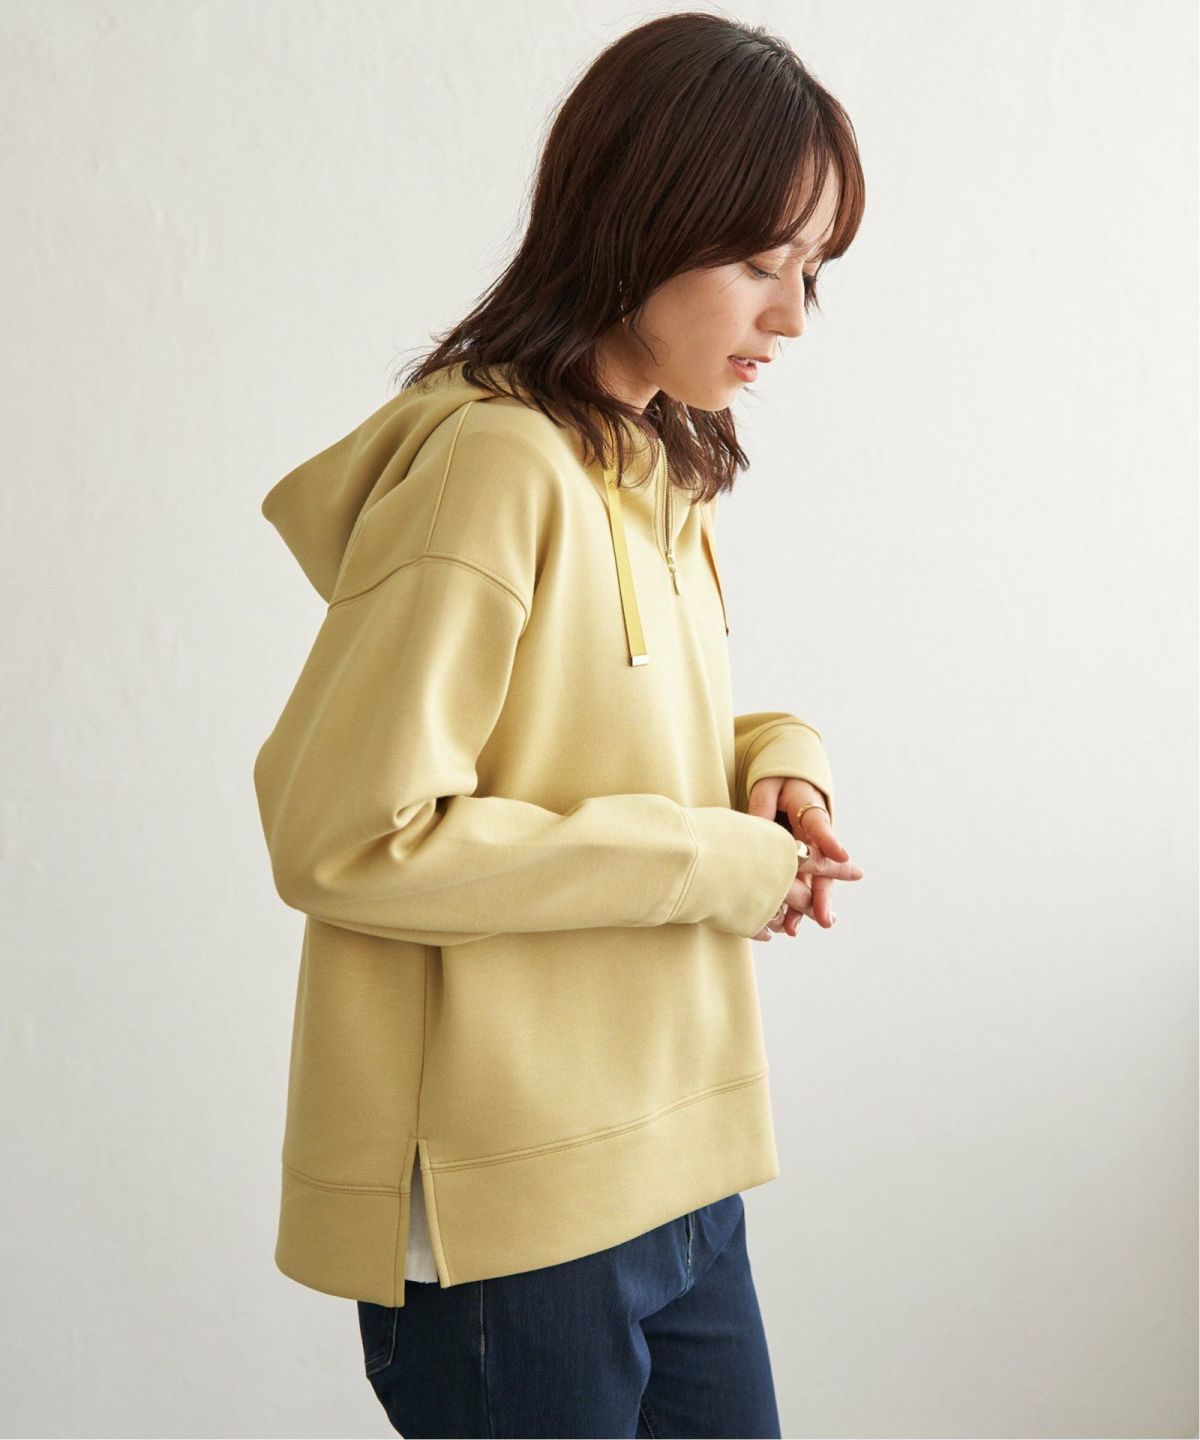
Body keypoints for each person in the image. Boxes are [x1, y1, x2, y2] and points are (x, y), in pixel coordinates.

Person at [252, 11, 866, 1437]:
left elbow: (614, 733)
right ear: (636, 221)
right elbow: (346, 835)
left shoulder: (653, 463)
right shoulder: (494, 468)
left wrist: (778, 767)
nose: (790, 317)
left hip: (680, 1156)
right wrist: (709, 865)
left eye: (813, 272)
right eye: (759, 263)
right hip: (509, 1209)